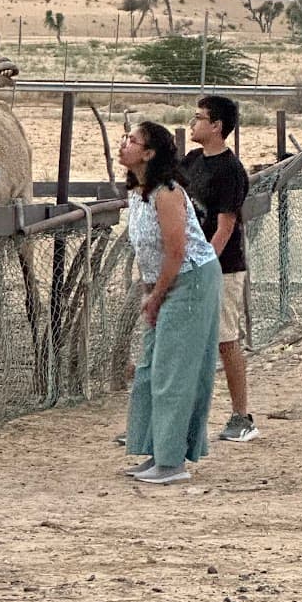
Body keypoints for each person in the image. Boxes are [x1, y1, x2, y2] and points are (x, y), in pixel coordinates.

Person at [120, 121, 221, 485]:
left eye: (132, 141)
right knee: (150, 368)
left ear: (149, 153)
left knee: (173, 371)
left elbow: (177, 252)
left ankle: (172, 461)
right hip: (163, 283)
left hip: (190, 280)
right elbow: (149, 251)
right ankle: (155, 451)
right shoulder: (137, 192)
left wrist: (157, 296)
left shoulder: (167, 193)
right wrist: (151, 292)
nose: (124, 144)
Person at [180, 94, 258, 442]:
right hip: (189, 263)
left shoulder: (230, 171)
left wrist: (205, 265)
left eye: (199, 118)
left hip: (221, 267)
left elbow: (225, 227)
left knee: (225, 339)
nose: (193, 123)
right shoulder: (192, 161)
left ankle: (242, 416)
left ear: (216, 126)